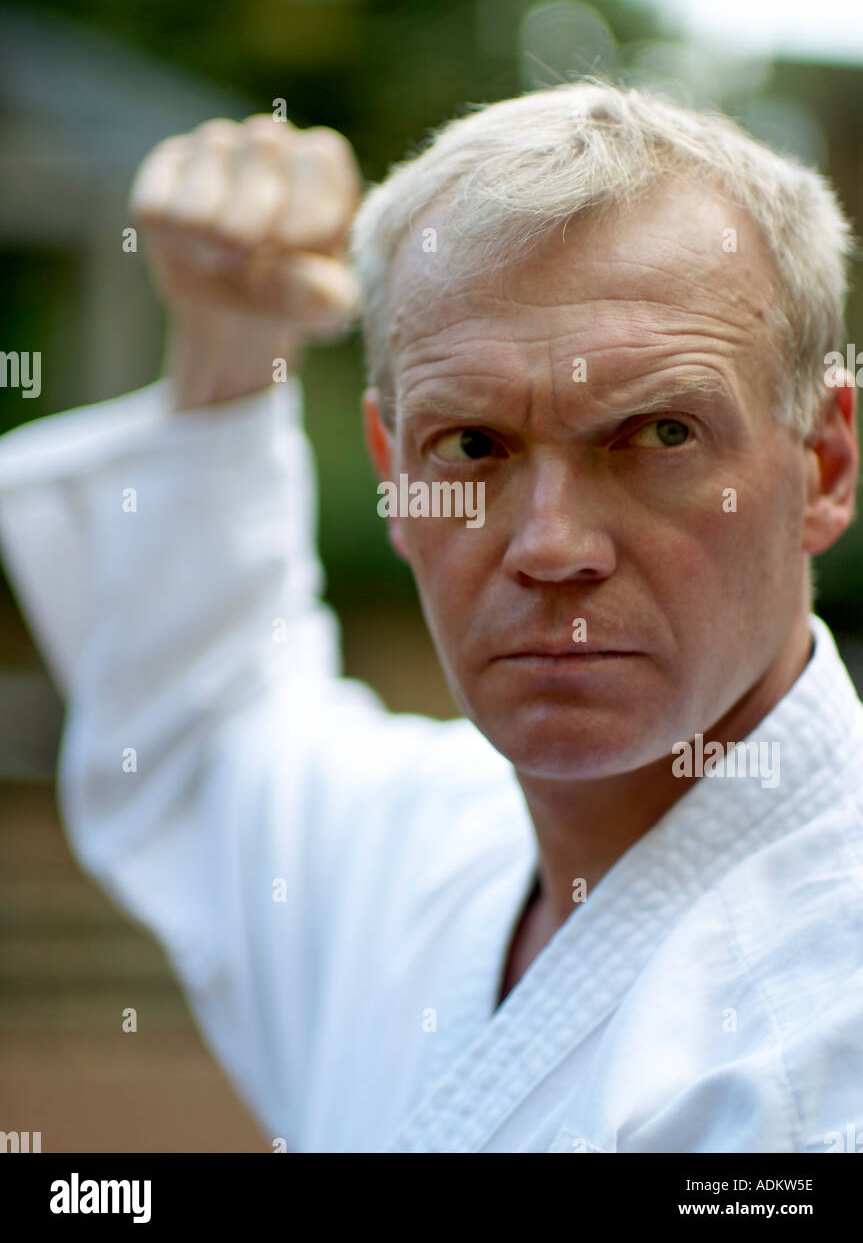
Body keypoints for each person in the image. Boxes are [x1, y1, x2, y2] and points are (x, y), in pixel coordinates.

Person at [0, 82, 861, 1154]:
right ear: (391, 477)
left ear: (821, 466)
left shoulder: (816, 1059)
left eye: (657, 433)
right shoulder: (421, 852)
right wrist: (231, 338)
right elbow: (204, 736)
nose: (549, 545)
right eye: (469, 447)